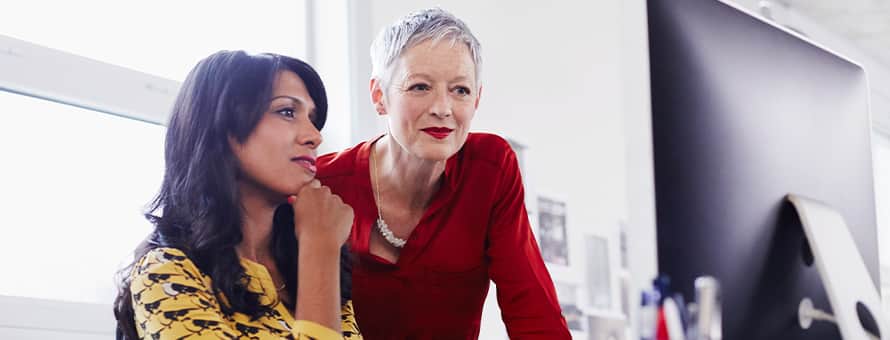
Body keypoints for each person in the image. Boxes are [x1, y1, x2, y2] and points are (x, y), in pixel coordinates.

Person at [317, 8, 571, 339]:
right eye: (420, 87)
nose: (442, 108)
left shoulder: (491, 169)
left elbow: (533, 310)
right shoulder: (322, 186)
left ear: (477, 99)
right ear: (380, 96)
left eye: (460, 90)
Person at [112, 50, 361, 339]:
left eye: (313, 118)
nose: (314, 136)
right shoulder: (166, 273)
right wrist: (320, 250)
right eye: (287, 112)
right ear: (222, 126)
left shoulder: (306, 264)